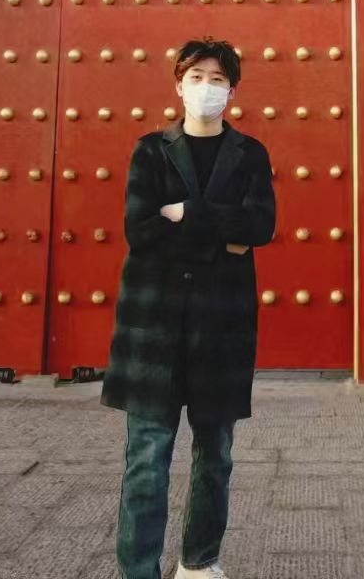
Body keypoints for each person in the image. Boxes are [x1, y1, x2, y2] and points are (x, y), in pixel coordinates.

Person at [101, 37, 277, 579]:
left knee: (215, 458)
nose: (206, 88)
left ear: (232, 91)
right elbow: (141, 231)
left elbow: (259, 227)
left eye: (217, 79)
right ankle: (139, 571)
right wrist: (221, 234)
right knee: (147, 461)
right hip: (152, 329)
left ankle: (199, 564)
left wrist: (185, 213)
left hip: (220, 330)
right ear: (179, 85)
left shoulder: (250, 154)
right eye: (196, 77)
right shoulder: (150, 151)